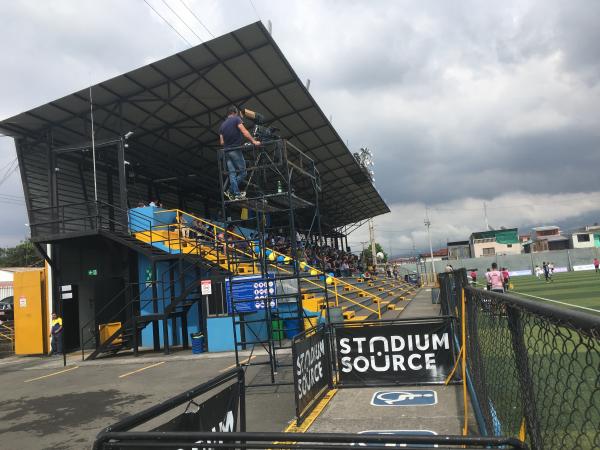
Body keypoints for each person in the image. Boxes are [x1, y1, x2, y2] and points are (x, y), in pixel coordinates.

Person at [219, 106, 260, 200]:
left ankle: (235, 193)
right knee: (243, 172)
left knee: (232, 174)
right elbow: (244, 131)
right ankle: (232, 191)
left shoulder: (222, 126)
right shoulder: (236, 119)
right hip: (235, 149)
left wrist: (229, 139)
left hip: (226, 151)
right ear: (234, 113)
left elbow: (221, 142)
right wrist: (254, 141)